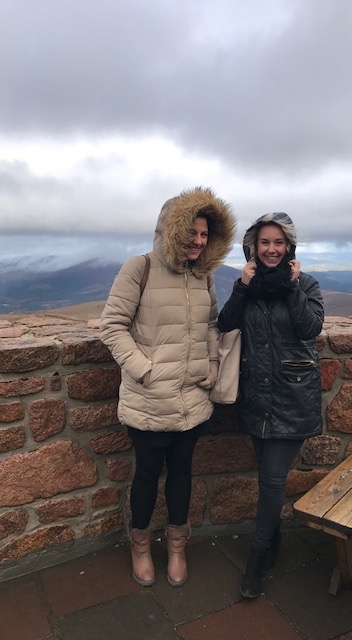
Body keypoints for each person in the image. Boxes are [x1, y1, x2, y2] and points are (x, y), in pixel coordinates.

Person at [100, 186, 236, 588]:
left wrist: (211, 367)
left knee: (181, 473)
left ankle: (176, 545)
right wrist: (145, 370)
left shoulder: (204, 276)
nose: (197, 241)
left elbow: (211, 326)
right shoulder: (138, 268)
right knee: (146, 475)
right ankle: (140, 544)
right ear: (170, 230)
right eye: (191, 232)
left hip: (193, 399)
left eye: (204, 234)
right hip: (148, 400)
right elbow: (112, 326)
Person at [217, 212, 324, 598]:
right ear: (253, 247)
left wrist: (293, 287)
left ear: (289, 247)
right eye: (265, 242)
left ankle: (256, 560)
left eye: (279, 243)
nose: (272, 249)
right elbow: (225, 323)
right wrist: (242, 288)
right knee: (268, 477)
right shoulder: (247, 284)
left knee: (272, 480)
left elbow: (310, 328)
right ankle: (274, 540)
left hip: (294, 400)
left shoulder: (307, 284)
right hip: (256, 400)